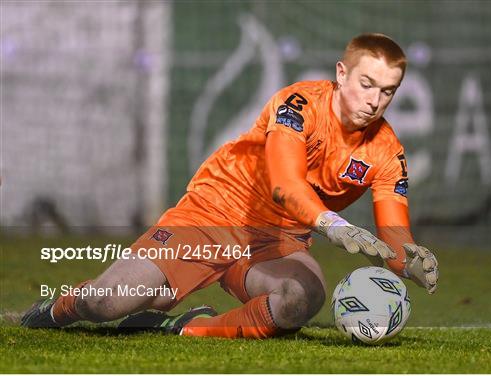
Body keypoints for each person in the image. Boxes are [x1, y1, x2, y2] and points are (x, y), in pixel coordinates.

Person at [22, 33, 438, 338]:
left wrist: (408, 262)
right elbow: (285, 186)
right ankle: (57, 308)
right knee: (106, 303)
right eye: (366, 84)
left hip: (276, 241)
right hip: (212, 214)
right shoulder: (297, 105)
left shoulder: (387, 151)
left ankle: (189, 328)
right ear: (341, 73)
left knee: (300, 299)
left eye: (387, 92)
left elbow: (394, 234)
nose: (374, 100)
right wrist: (333, 225)